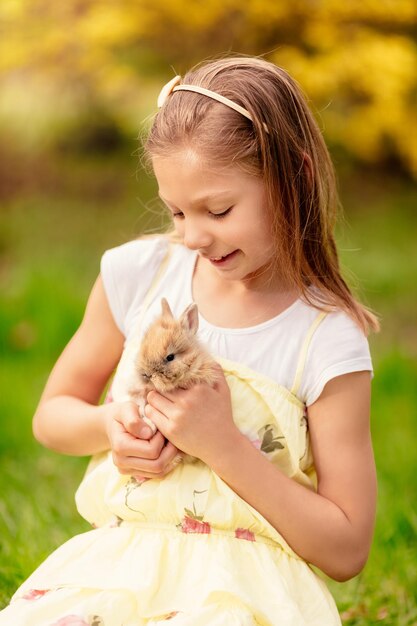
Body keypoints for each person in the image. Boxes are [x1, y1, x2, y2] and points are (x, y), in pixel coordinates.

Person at [0, 55, 378, 626]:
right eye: (177, 211)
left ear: (294, 177)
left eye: (218, 209)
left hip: (244, 589)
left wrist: (223, 446)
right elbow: (51, 417)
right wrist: (109, 426)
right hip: (120, 570)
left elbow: (347, 548)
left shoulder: (324, 340)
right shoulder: (139, 276)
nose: (194, 235)